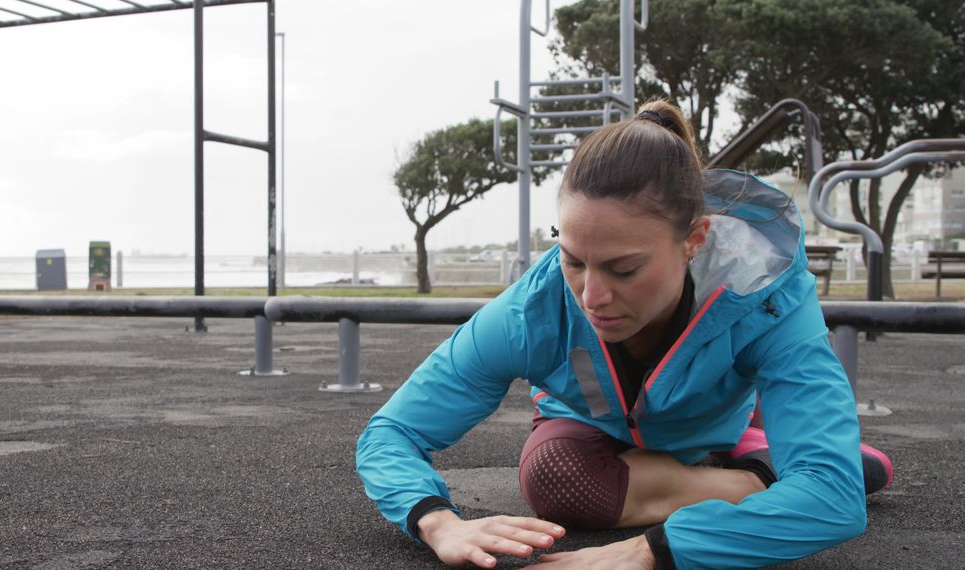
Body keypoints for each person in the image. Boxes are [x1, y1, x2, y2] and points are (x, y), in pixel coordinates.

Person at [356, 100, 893, 569]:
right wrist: (437, 522)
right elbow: (391, 434)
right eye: (573, 260)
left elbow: (834, 501)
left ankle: (759, 459)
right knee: (555, 480)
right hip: (592, 426)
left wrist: (653, 550)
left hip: (711, 427)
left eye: (625, 269)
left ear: (695, 240)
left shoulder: (767, 293)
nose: (591, 297)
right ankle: (767, 473)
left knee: (827, 476)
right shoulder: (532, 310)